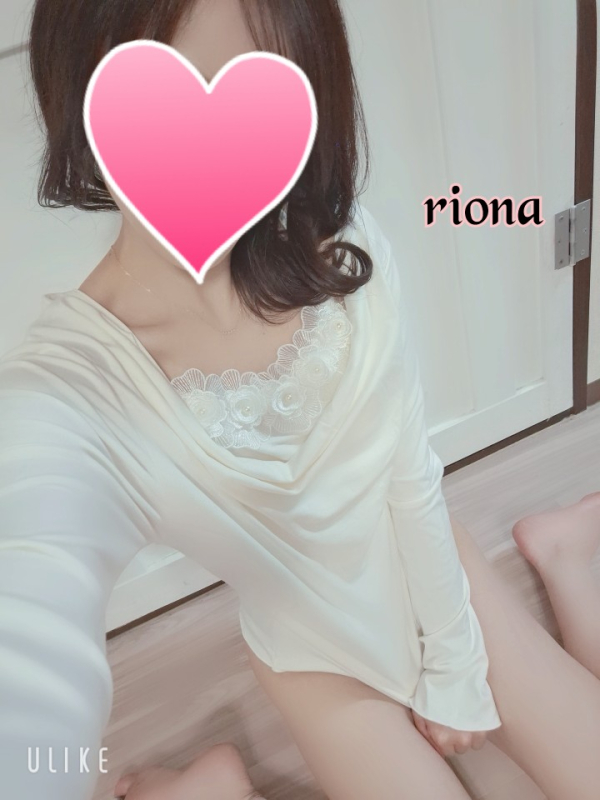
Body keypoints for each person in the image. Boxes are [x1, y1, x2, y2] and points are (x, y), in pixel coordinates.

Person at [1, 0, 599, 798]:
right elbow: (26, 607)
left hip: (425, 561)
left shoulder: (345, 252)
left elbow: (409, 475)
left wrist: (454, 659)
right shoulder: (71, 389)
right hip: (311, 653)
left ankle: (567, 556)